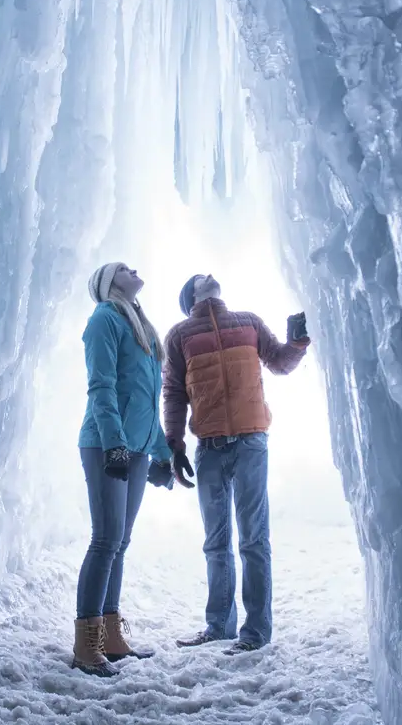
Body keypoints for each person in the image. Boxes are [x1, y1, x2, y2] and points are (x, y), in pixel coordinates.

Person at [162, 273, 311, 654]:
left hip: (251, 443)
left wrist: (296, 342)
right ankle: (219, 627)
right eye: (198, 278)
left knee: (254, 540)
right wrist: (174, 445)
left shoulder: (248, 321)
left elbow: (279, 363)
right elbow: (174, 394)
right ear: (190, 296)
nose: (209, 276)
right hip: (209, 448)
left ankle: (255, 633)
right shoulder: (180, 336)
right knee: (216, 543)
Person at [74, 261, 176, 677]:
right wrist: (115, 444)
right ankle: (86, 646)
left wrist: (162, 453)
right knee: (105, 539)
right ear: (106, 283)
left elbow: (146, 401)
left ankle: (112, 636)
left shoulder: (143, 328)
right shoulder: (103, 319)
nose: (133, 268)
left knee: (121, 541)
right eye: (122, 267)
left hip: (133, 448)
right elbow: (102, 387)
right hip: (104, 443)